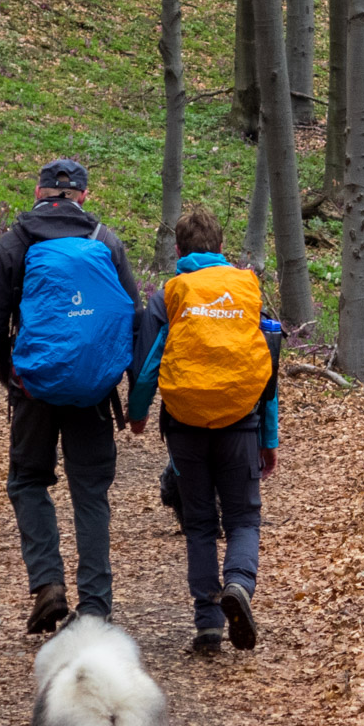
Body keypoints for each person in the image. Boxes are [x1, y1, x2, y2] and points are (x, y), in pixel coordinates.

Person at [0, 158, 142, 634]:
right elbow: (130, 316)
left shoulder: (15, 243)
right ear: (83, 196)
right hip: (93, 390)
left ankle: (48, 583)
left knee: (28, 480)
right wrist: (128, 388)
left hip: (34, 388)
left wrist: (9, 371)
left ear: (38, 191)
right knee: (90, 492)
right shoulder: (104, 242)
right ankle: (95, 606)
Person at [128, 206, 279, 654]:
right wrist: (268, 440)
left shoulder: (172, 293)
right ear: (220, 248)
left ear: (178, 251)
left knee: (198, 524)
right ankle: (238, 585)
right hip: (241, 424)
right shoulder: (245, 290)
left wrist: (137, 413)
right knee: (243, 519)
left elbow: (150, 365)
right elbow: (266, 373)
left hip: (185, 426)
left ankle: (208, 625)